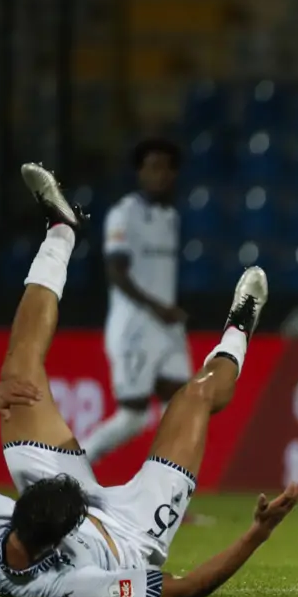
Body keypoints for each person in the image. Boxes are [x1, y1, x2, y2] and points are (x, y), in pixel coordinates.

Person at [0, 163, 298, 597]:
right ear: (58, 540)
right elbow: (186, 589)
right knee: (194, 396)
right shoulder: (76, 584)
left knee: (19, 373)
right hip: (134, 531)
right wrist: (258, 532)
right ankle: (239, 329)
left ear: (15, 509)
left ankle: (61, 229)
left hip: (50, 520)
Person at [83, 138, 189, 464]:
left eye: (167, 168)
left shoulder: (171, 217)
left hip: (167, 330)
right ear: (140, 173)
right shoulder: (123, 215)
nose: (161, 174)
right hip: (135, 328)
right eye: (153, 167)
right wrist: (158, 307)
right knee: (134, 418)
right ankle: (71, 471)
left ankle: (165, 499)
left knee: (184, 411)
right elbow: (116, 272)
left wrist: (167, 311)